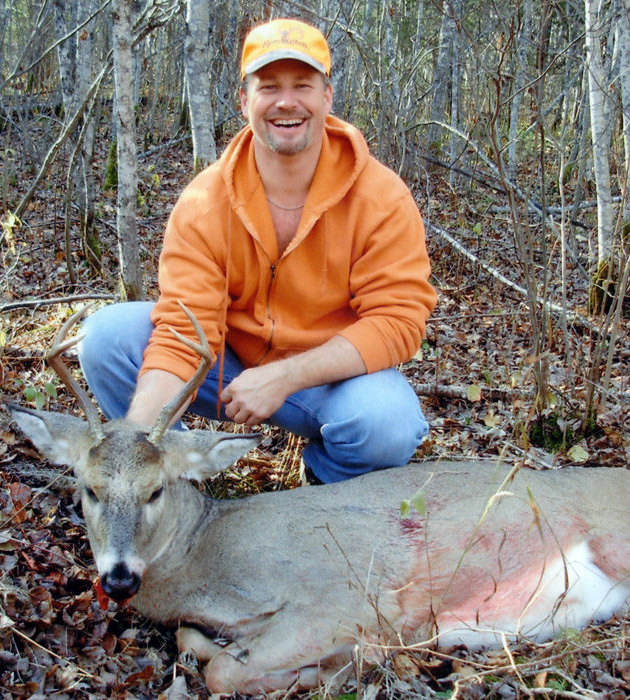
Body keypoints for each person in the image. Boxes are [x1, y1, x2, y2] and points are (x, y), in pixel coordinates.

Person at [78, 18, 437, 484]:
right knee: (106, 338)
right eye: (268, 86)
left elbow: (398, 322)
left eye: (302, 85)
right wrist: (136, 440)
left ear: (327, 96)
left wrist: (286, 377)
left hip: (330, 382)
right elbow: (184, 333)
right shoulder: (206, 202)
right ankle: (167, 481)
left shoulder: (381, 197)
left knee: (388, 424)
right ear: (244, 100)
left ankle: (317, 501)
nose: (286, 102)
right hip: (229, 369)